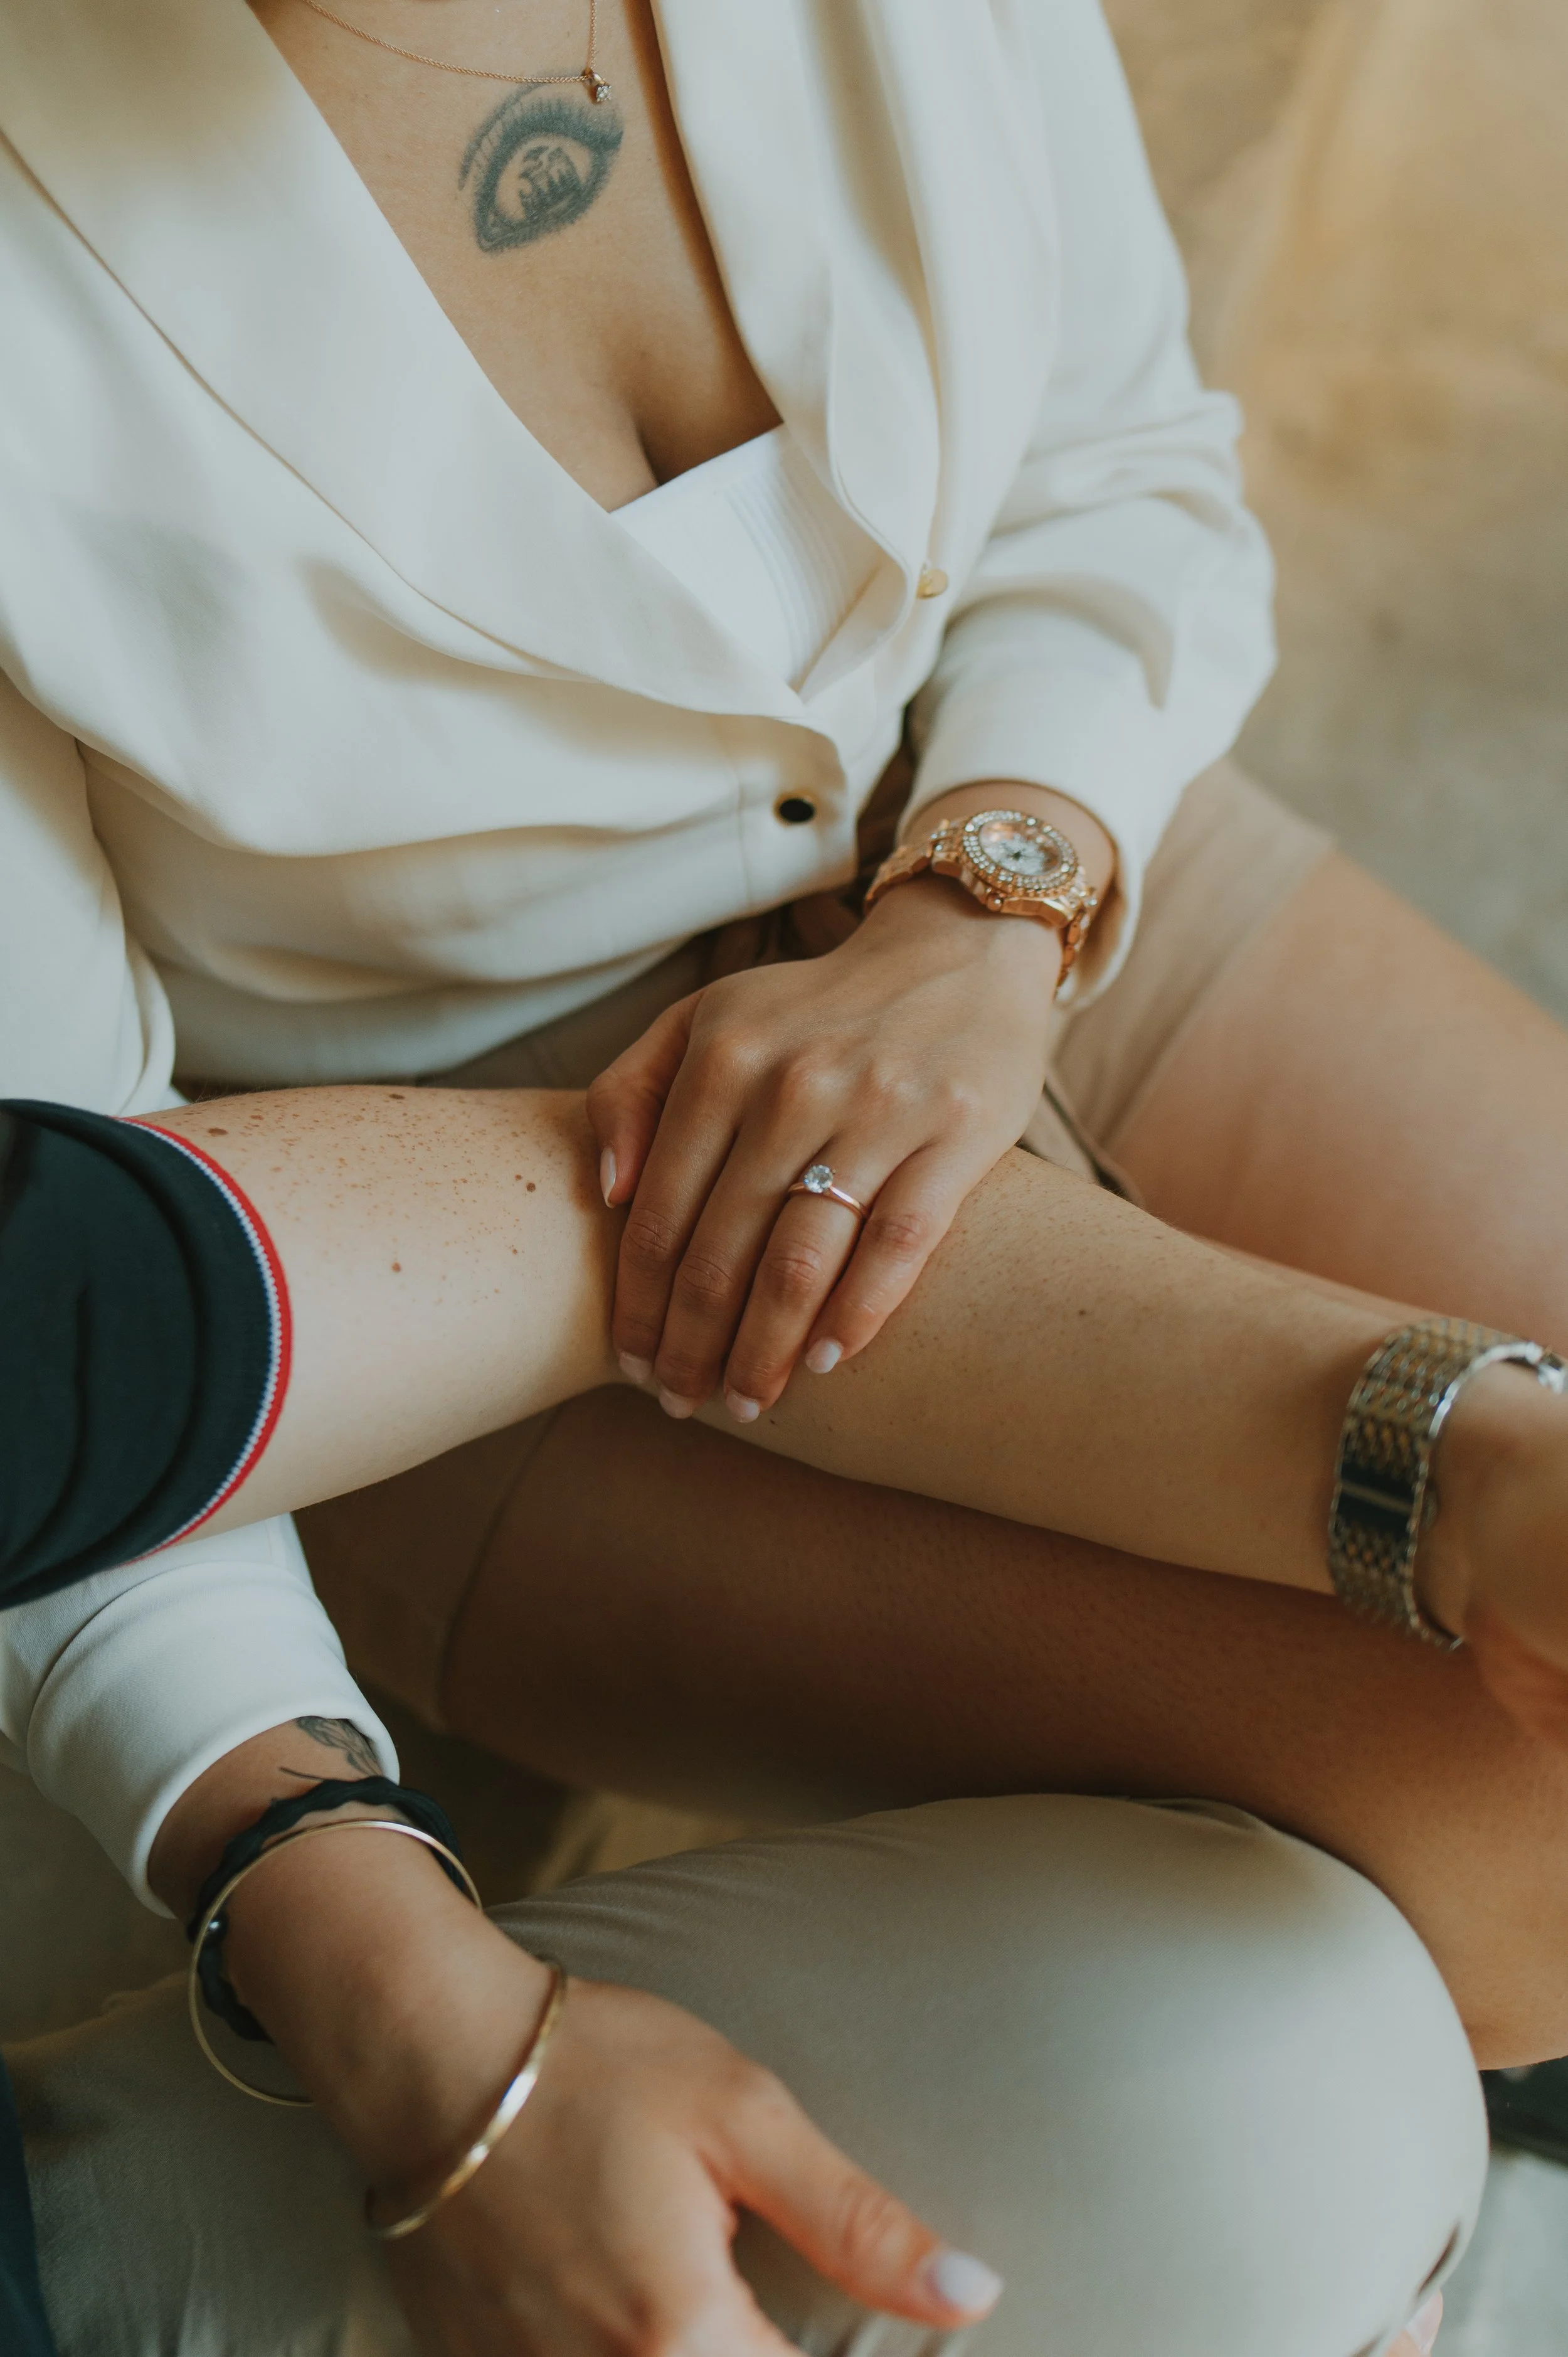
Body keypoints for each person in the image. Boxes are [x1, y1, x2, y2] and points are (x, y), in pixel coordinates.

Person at [3, 0, 1566, 2349]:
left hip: (1042, 854)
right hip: (483, 1270)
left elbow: (1117, 449)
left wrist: (986, 902)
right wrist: (332, 1898)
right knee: (1527, 1844)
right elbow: (76, 1310)